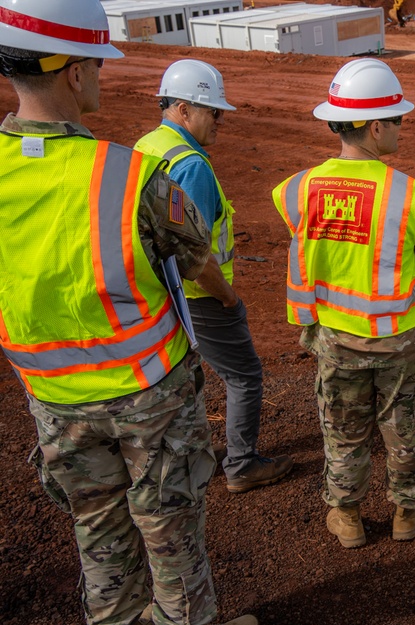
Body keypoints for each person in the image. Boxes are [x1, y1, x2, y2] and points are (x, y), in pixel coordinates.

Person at [0, 2, 258, 625]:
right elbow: (197, 261)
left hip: (53, 395)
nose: (102, 80)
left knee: (97, 523)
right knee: (168, 521)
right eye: (98, 66)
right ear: (76, 71)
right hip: (147, 390)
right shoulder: (129, 175)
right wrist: (228, 301)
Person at [272, 58, 415, 548]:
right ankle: (407, 514)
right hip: (400, 339)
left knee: (343, 431)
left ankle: (347, 517)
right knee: (404, 428)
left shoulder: (298, 189)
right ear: (374, 127)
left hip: (335, 337)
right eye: (397, 120)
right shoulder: (409, 193)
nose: (400, 129)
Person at [135, 59, 294, 494]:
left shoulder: (147, 146)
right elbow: (197, 256)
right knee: (244, 375)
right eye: (213, 111)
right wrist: (227, 298)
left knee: (181, 378)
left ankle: (188, 458)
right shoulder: (192, 166)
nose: (219, 121)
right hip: (199, 297)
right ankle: (241, 465)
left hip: (158, 291)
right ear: (185, 110)